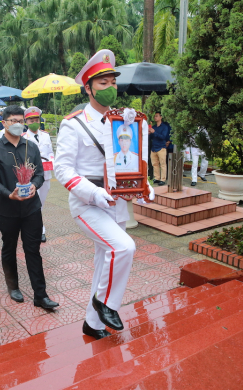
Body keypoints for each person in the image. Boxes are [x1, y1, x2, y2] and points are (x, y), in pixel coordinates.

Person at [55, 49, 154, 340]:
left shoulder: (122, 121)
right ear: (88, 88)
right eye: (103, 83)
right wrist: (93, 193)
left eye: (113, 82)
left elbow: (131, 159)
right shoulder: (73, 123)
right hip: (88, 203)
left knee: (104, 263)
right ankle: (106, 304)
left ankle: (92, 323)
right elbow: (62, 169)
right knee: (123, 247)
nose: (111, 88)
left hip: (117, 202)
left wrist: (143, 186)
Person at [0, 105, 58, 309]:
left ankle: (40, 295)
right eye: (13, 121)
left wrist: (34, 186)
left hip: (31, 209)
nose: (17, 124)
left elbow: (40, 174)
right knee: (8, 249)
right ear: (4, 123)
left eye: (20, 121)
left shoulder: (31, 146)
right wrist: (9, 194)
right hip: (7, 210)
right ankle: (13, 286)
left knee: (33, 250)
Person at [22, 106, 54, 243]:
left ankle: (35, 226)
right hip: (31, 177)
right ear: (26, 122)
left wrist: (52, 161)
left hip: (46, 175)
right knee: (34, 203)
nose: (34, 122)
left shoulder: (45, 135)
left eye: (36, 119)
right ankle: (40, 230)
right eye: (31, 120)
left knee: (41, 203)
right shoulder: (23, 137)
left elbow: (51, 153)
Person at [148, 112, 173, 186]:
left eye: (157, 116)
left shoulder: (164, 127)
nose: (155, 117)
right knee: (155, 164)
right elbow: (152, 138)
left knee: (162, 164)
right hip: (154, 148)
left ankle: (163, 179)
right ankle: (157, 178)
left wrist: (154, 132)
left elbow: (163, 137)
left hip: (161, 147)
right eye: (155, 116)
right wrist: (149, 134)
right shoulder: (154, 127)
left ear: (161, 117)